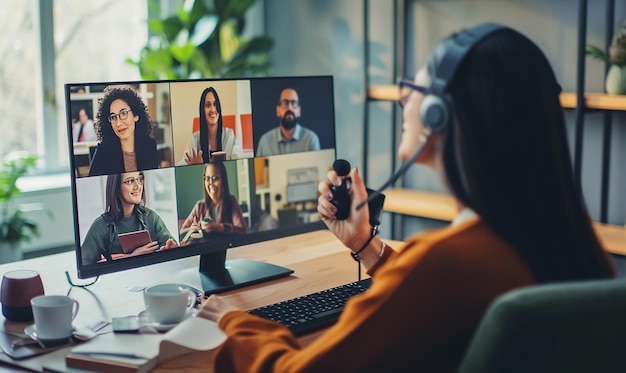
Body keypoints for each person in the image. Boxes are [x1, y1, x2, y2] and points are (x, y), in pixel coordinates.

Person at [196, 23, 615, 372]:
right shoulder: (570, 240)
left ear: (441, 114)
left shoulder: (443, 262)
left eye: (414, 86)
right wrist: (367, 246)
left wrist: (236, 323)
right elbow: (440, 296)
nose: (402, 97)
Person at [81, 171, 177, 265]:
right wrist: (132, 257)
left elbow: (173, 246)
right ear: (116, 188)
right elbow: (84, 263)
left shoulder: (151, 217)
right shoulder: (100, 226)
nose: (137, 186)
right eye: (129, 181)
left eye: (140, 179)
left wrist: (169, 249)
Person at [88, 86, 158, 176]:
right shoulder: (103, 151)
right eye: (113, 117)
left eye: (123, 113)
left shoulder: (149, 146)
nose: (118, 123)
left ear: (136, 115)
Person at [179, 162, 247, 239]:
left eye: (215, 178)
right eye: (207, 179)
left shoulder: (231, 201)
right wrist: (192, 229)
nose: (211, 183)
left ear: (223, 181)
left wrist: (219, 227)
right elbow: (182, 231)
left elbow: (243, 231)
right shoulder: (199, 206)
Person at [255, 88, 321, 156]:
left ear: (299, 111)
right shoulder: (265, 141)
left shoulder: (311, 139)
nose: (289, 107)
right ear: (278, 110)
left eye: (294, 103)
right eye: (285, 103)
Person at [179, 87, 236, 164]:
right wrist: (195, 167)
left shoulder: (229, 135)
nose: (213, 109)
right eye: (208, 105)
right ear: (202, 110)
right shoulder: (194, 139)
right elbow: (182, 163)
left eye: (215, 104)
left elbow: (239, 158)